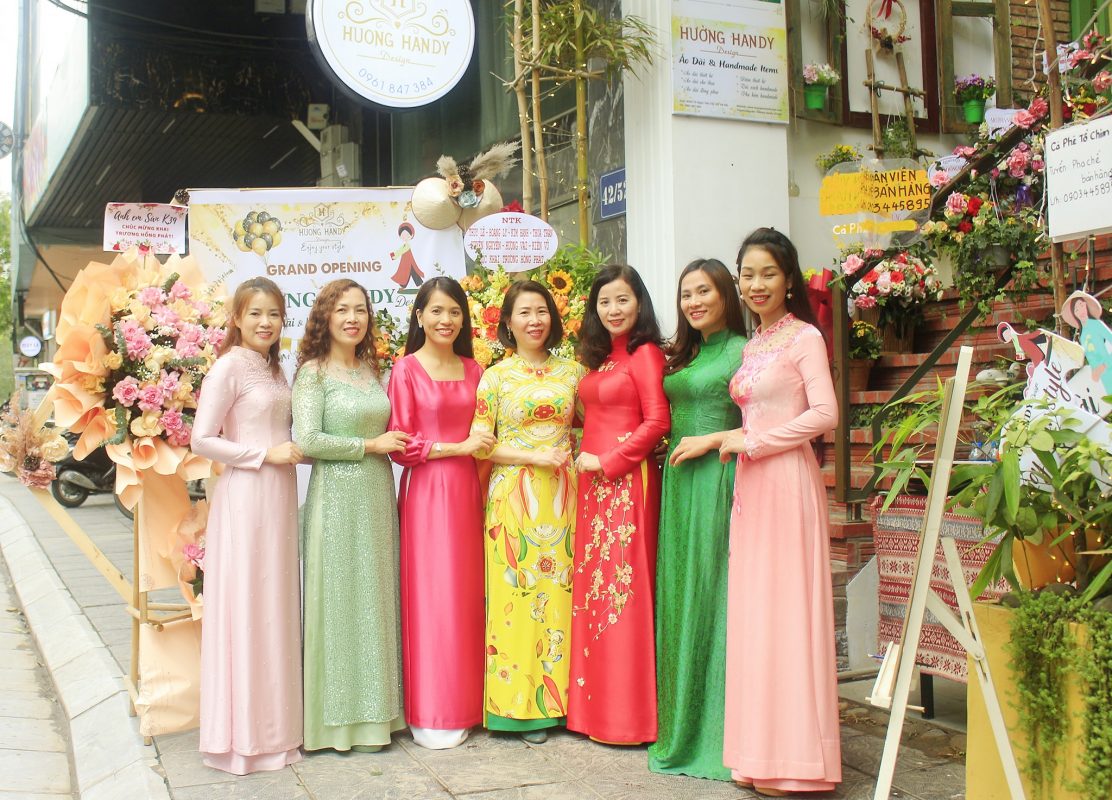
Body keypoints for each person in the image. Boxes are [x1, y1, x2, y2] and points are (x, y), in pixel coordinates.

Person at [721, 228, 841, 796]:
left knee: (787, 613)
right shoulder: (755, 344)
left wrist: (756, 443)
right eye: (747, 275)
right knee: (757, 613)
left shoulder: (805, 338)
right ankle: (758, 754)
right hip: (753, 487)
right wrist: (739, 443)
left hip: (787, 481)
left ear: (789, 279)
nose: (756, 284)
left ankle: (797, 760)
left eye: (767, 273)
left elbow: (825, 414)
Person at [192, 277, 303, 774]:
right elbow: (202, 439)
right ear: (236, 318)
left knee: (275, 605)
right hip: (246, 495)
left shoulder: (275, 368)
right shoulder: (228, 367)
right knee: (247, 605)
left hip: (279, 496)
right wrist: (263, 455)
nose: (265, 322)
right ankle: (242, 739)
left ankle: (277, 731)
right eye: (255, 313)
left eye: (274, 314)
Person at [293, 278, 410, 753]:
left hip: (376, 497)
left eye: (360, 309)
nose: (352, 318)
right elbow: (307, 440)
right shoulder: (313, 374)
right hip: (336, 499)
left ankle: (379, 717)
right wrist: (370, 445)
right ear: (325, 316)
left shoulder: (370, 370)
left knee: (374, 600)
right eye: (342, 309)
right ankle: (337, 725)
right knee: (340, 602)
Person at [470, 280, 585, 744]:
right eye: (524, 312)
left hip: (564, 498)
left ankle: (563, 706)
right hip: (513, 500)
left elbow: (591, 426)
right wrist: (533, 456)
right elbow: (481, 445)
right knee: (515, 595)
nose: (534, 320)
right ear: (508, 322)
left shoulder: (574, 373)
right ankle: (514, 708)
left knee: (561, 595)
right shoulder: (495, 377)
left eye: (542, 311)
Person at [648, 258, 747, 781]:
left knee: (711, 594)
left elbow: (760, 421)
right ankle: (678, 721)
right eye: (686, 294)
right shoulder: (684, 354)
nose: (694, 302)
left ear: (726, 293)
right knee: (679, 593)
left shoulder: (743, 351)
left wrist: (713, 441)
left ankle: (716, 732)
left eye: (704, 291)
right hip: (678, 485)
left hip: (717, 481)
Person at [387, 277, 493, 750]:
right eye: (436, 311)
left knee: (466, 594)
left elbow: (488, 434)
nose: (445, 320)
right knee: (431, 596)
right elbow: (402, 445)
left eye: (453, 311)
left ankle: (468, 704)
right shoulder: (405, 370)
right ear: (419, 316)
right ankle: (432, 709)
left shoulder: (475, 370)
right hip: (427, 492)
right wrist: (459, 447)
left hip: (469, 490)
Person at [568, 264, 669, 745]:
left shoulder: (645, 354)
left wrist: (608, 461)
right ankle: (594, 712)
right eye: (604, 301)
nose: (613, 309)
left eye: (622, 300)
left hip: (627, 482)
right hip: (593, 486)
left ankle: (627, 718)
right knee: (595, 590)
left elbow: (657, 422)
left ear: (639, 303)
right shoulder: (602, 358)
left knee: (624, 592)